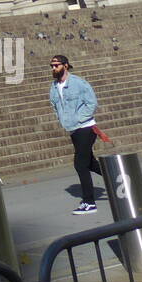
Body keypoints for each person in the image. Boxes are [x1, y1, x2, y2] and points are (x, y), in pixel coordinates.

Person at [49, 54, 101, 214]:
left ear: (65, 65)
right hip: (72, 129)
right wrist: (64, 120)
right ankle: (118, 175)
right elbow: (54, 105)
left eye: (56, 65)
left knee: (80, 164)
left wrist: (79, 118)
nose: (53, 68)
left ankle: (89, 202)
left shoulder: (78, 83)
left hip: (86, 128)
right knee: (90, 163)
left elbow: (92, 103)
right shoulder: (54, 86)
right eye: (51, 66)